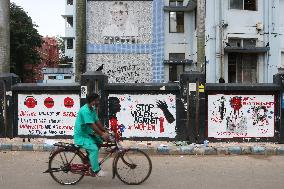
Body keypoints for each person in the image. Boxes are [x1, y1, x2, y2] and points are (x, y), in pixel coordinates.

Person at [74, 93, 109, 177]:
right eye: (97, 100)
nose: (98, 102)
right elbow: (92, 125)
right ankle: (96, 170)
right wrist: (102, 134)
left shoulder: (91, 109)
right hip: (81, 136)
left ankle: (89, 160)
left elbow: (97, 121)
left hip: (88, 133)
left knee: (99, 141)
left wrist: (105, 130)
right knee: (94, 149)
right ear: (92, 101)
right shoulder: (85, 110)